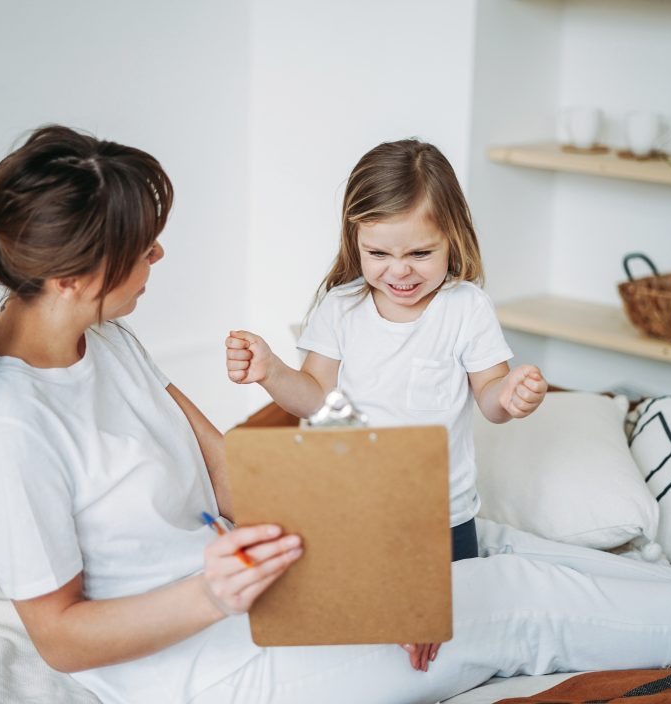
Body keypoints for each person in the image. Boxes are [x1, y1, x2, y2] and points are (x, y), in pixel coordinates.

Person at [0, 125, 671, 704]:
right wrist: (213, 592)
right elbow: (61, 640)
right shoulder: (2, 429)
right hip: (204, 666)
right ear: (74, 276)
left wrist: (378, 578)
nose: (159, 256)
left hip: (264, 597)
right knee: (516, 604)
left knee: (510, 563)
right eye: (143, 248)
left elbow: (231, 468)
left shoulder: (102, 340)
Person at [224, 138, 548, 669]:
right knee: (341, 623)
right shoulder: (342, 305)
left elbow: (489, 400)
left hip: (438, 517)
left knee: (437, 641)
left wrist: (509, 397)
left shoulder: (465, 308)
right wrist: (272, 372)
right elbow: (317, 399)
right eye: (379, 254)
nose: (400, 271)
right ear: (356, 242)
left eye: (420, 252)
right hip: (351, 506)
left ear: (453, 239)